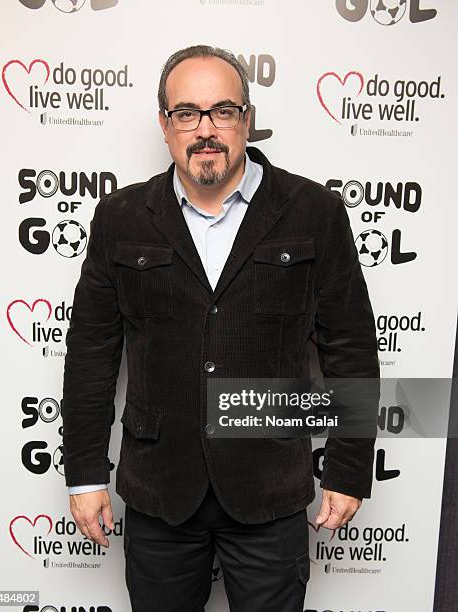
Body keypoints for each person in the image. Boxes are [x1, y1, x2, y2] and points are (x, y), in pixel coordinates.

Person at [62, 44, 379, 612]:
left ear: (247, 120)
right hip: (160, 491)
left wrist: (350, 468)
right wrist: (84, 475)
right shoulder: (120, 217)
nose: (205, 129)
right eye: (187, 112)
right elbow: (91, 353)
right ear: (164, 124)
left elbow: (350, 349)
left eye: (223, 111)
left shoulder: (315, 212)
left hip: (270, 491)